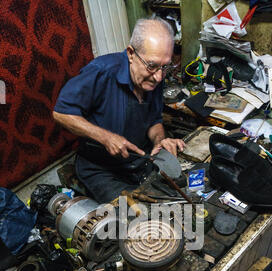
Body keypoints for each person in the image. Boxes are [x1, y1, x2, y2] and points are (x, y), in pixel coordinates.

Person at [53, 18, 185, 203]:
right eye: (152, 66)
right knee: (135, 219)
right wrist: (106, 137)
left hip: (138, 160)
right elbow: (61, 113)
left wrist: (160, 141)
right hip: (101, 169)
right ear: (131, 53)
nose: (158, 76)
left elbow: (154, 120)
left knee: (175, 194)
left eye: (165, 67)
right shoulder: (101, 71)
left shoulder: (156, 75)